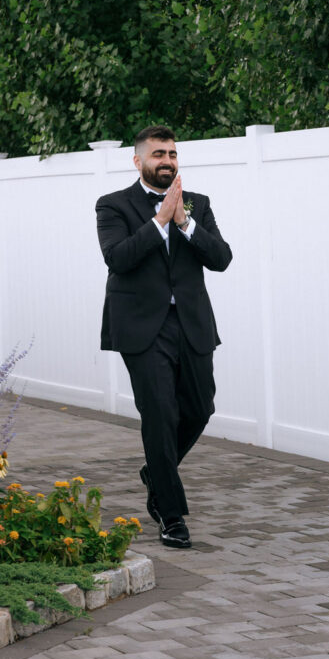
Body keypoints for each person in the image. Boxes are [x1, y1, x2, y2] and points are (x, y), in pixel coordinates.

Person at [95, 125, 232, 548]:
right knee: (159, 414)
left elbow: (221, 259)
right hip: (141, 325)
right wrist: (159, 221)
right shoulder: (113, 205)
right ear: (138, 161)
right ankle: (171, 515)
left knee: (199, 407)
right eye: (158, 154)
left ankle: (156, 472)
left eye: (172, 154)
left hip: (191, 323)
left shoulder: (198, 204)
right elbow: (117, 258)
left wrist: (184, 222)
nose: (167, 161)